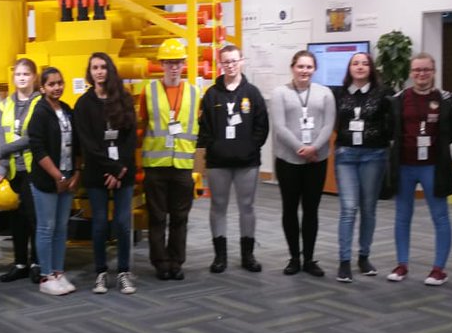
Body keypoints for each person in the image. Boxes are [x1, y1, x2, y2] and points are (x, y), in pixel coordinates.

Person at [386, 54, 452, 285]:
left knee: (440, 216)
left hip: (433, 167)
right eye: (417, 70)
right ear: (410, 73)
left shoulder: (445, 99)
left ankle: (439, 269)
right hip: (405, 166)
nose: (421, 74)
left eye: (426, 70)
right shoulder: (399, 99)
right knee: (402, 217)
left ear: (433, 71)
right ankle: (402, 264)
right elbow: (391, 129)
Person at [198, 43, 270, 274]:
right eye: (225, 62)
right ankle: (220, 256)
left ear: (242, 61)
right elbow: (204, 128)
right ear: (220, 64)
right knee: (218, 206)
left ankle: (248, 255)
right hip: (218, 162)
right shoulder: (211, 94)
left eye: (234, 61)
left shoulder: (253, 93)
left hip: (247, 162)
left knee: (246, 206)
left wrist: (250, 147)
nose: (230, 65)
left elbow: (262, 126)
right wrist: (214, 147)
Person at [74, 52, 138, 295]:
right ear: (89, 72)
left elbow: (130, 137)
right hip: (97, 172)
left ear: (110, 70)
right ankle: (101, 273)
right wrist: (112, 168)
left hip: (123, 171)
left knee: (122, 223)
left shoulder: (123, 98)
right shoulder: (84, 104)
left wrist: (120, 168)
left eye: (103, 67)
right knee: (99, 224)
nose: (99, 71)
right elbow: (88, 144)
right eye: (94, 68)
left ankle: (123, 272)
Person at [270, 50, 334, 277]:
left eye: (309, 67)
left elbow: (328, 125)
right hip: (288, 160)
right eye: (300, 66)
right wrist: (302, 149)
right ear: (292, 68)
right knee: (289, 209)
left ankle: (309, 258)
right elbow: (280, 126)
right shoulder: (280, 93)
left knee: (311, 210)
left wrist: (314, 148)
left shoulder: (325, 93)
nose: (304, 71)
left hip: (317, 160)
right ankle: (294, 258)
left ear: (314, 69)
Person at [140, 39, 199, 280]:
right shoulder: (149, 90)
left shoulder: (195, 93)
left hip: (183, 166)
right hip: (155, 166)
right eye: (169, 63)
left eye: (178, 62)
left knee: (180, 218)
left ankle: (176, 261)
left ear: (184, 64)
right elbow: (142, 124)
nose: (174, 67)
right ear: (161, 64)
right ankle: (160, 262)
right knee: (157, 218)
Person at [332, 52, 393, 283]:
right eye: (355, 63)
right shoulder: (338, 93)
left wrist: (383, 142)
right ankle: (344, 260)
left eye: (364, 63)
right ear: (349, 68)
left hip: (373, 156)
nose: (360, 67)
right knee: (348, 208)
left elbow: (391, 122)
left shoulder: (383, 93)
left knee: (368, 208)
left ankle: (364, 256)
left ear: (371, 68)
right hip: (345, 155)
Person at [27, 66, 80, 295]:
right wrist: (57, 175)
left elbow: (76, 143)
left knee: (61, 228)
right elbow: (37, 149)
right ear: (42, 88)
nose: (57, 87)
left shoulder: (67, 110)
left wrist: (76, 172)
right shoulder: (39, 112)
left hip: (68, 179)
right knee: (46, 228)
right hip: (46, 181)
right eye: (51, 84)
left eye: (60, 83)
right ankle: (46, 276)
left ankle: (59, 272)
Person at [0, 58, 41, 282]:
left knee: (35, 218)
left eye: (26, 74)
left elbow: (34, 138)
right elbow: (1, 135)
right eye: (18, 74)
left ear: (33, 77)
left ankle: (37, 263)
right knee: (17, 220)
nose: (21, 78)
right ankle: (20, 263)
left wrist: (3, 150)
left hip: (34, 170)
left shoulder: (41, 102)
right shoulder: (4, 105)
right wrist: (2, 166)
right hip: (13, 171)